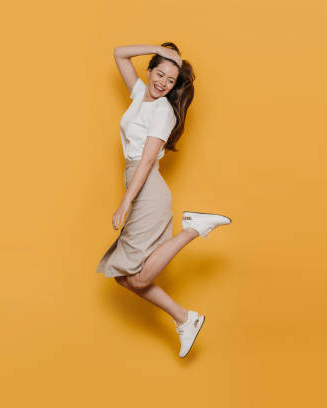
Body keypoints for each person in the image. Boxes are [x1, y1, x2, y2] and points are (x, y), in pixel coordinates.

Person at [95, 42, 232, 358]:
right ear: (151, 69)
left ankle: (192, 229)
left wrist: (125, 203)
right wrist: (161, 48)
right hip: (140, 187)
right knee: (125, 278)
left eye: (171, 81)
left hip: (148, 191)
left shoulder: (163, 111)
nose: (163, 84)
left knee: (138, 276)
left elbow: (144, 163)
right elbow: (119, 53)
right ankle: (186, 319)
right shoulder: (140, 95)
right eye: (160, 74)